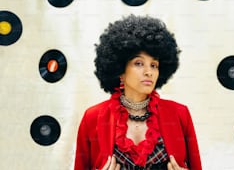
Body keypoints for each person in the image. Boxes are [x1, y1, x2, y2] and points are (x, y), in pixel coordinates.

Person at [74, 15, 202, 170]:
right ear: (120, 70)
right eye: (139, 63)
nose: (149, 72)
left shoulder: (180, 114)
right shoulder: (92, 118)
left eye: (154, 65)